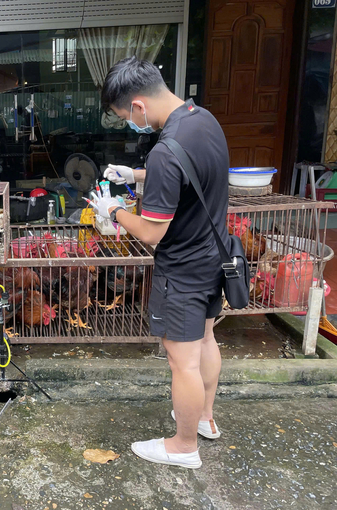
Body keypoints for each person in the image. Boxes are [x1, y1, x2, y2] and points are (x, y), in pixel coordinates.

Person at [95, 57, 229, 469]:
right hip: (215, 254)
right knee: (206, 340)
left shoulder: (165, 151)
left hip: (184, 268)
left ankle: (183, 446)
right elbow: (191, 174)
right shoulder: (201, 118)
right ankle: (204, 418)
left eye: (124, 117)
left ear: (137, 106)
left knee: (181, 359)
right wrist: (135, 176)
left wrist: (113, 211)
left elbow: (152, 232)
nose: (130, 124)